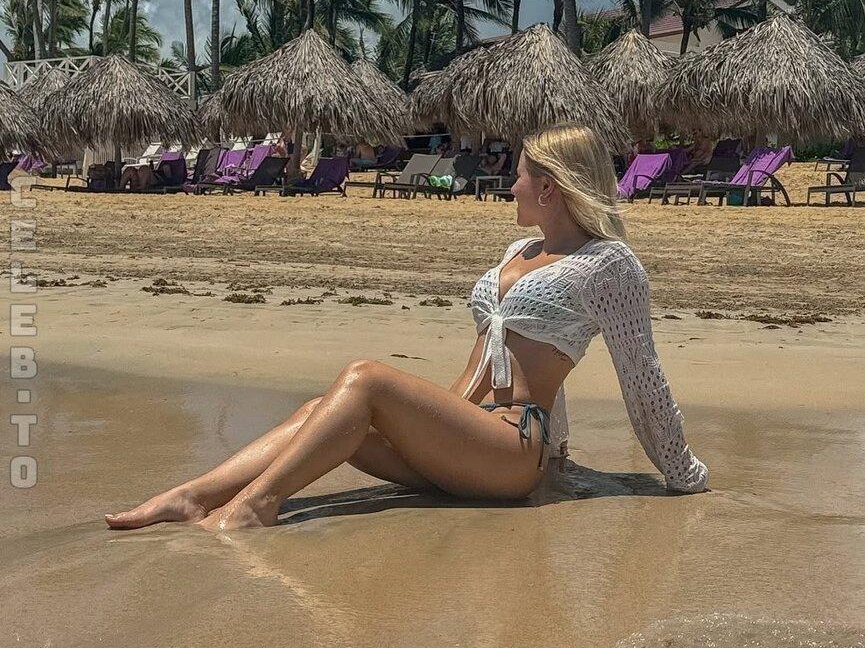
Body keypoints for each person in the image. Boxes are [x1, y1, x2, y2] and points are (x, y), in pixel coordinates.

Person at [105, 123, 708, 532]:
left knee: (365, 379)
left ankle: (254, 507)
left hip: (511, 449)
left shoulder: (609, 265)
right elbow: (510, 352)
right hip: (461, 436)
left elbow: (642, 378)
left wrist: (684, 475)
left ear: (549, 187)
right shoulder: (520, 250)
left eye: (520, 175)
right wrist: (559, 450)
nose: (511, 184)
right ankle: (191, 496)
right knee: (323, 409)